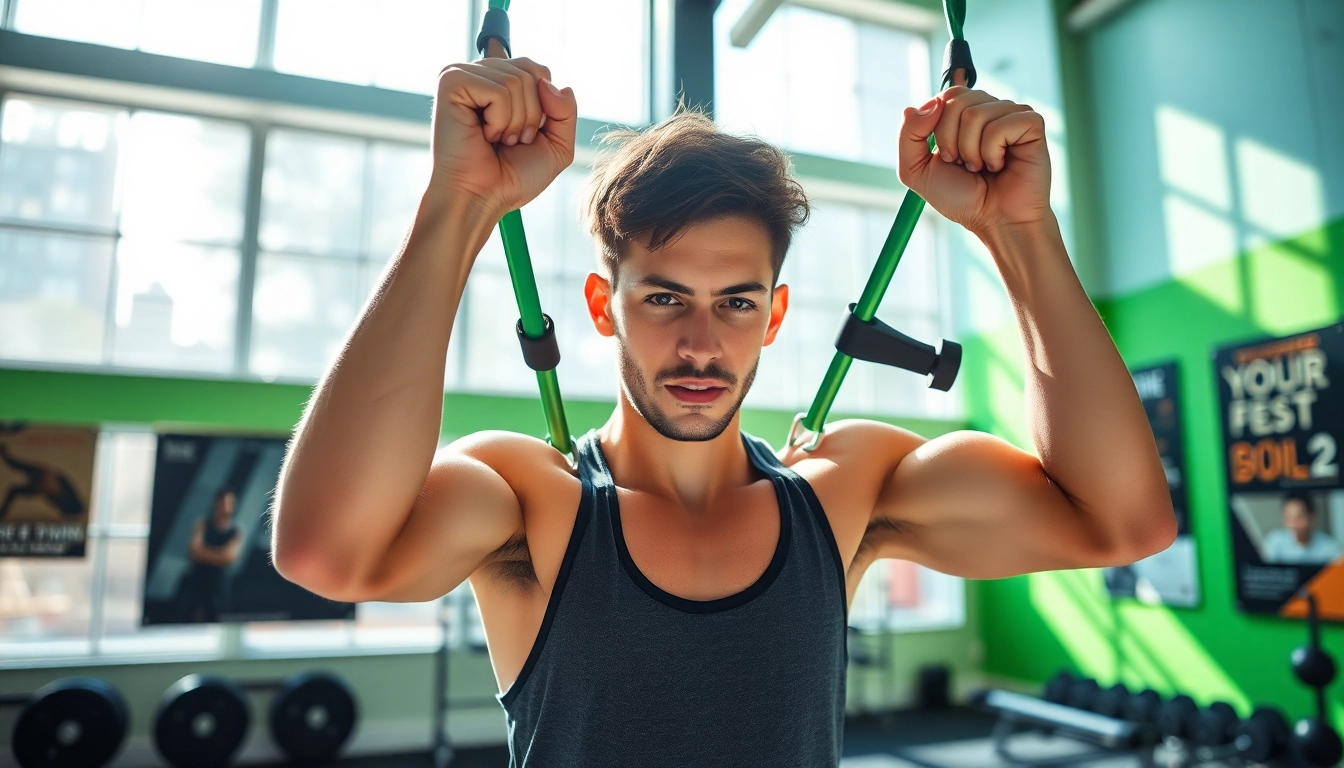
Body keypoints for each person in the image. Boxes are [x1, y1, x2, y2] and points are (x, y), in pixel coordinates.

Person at [271, 55, 1176, 767]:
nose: (702, 343)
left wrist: (1021, 232)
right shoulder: (530, 500)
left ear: (774, 315)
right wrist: (457, 205)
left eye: (736, 302)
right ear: (601, 305)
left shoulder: (843, 493)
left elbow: (1120, 520)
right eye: (664, 299)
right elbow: (324, 551)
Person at [176, 487, 242, 622]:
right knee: (188, 620)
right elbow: (194, 551)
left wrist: (205, 552)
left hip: (218, 585)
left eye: (230, 503)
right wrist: (219, 555)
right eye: (223, 502)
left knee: (216, 620)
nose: (226, 506)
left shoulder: (236, 530)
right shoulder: (202, 524)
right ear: (217, 503)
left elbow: (229, 558)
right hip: (197, 581)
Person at [0, 441, 85, 521]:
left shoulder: (59, 490)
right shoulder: (45, 479)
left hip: (61, 494)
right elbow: (14, 463)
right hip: (52, 484)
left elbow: (14, 463)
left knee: (15, 489)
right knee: (14, 489)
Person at [1263, 492, 1340, 565]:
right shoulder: (1274, 542)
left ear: (1312, 517)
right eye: (1288, 518)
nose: (1293, 525)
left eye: (1299, 517)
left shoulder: (1330, 548)